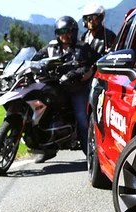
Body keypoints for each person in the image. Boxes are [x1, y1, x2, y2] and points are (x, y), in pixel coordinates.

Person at [32, 16, 94, 162]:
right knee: (40, 112)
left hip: (76, 89)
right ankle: (46, 149)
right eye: (61, 32)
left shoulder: (81, 47)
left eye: (68, 31)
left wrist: (74, 74)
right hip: (55, 87)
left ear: (74, 32)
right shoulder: (51, 47)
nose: (64, 35)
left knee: (82, 118)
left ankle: (90, 154)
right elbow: (35, 58)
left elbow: (87, 67)